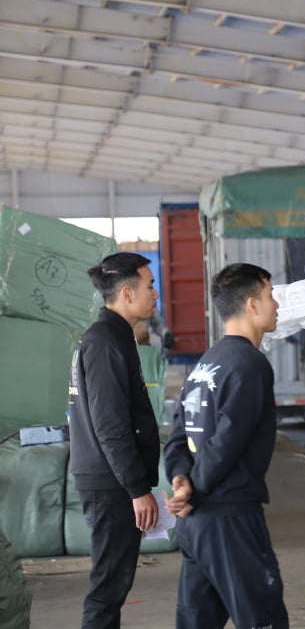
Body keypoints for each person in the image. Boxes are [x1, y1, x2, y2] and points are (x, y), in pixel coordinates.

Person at [162, 263, 288, 629]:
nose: (276, 304)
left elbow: (177, 435)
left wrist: (181, 479)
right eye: (270, 295)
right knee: (262, 618)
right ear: (251, 304)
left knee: (197, 621)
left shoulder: (206, 363)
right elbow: (226, 443)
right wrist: (194, 492)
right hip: (229, 517)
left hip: (196, 525)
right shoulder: (250, 365)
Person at [68, 251, 162, 629]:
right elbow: (110, 425)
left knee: (113, 584)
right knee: (108, 588)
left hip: (111, 480)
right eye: (150, 286)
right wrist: (137, 489)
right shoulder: (105, 342)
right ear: (126, 293)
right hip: (110, 484)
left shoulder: (114, 337)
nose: (155, 294)